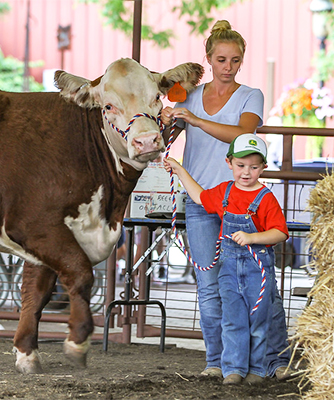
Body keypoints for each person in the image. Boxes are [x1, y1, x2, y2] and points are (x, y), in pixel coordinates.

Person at [160, 20, 292, 381]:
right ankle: (218, 361)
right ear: (208, 59)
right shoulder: (186, 93)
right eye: (220, 60)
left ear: (241, 61)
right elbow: (163, 116)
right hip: (201, 199)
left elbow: (243, 133)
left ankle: (273, 359)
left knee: (260, 285)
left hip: (243, 200)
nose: (228, 67)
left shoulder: (251, 95)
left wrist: (195, 120)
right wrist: (170, 115)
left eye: (235, 60)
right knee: (210, 285)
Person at [164, 134, 289, 385]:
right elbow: (199, 197)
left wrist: (253, 237)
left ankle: (258, 369)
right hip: (229, 268)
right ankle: (233, 368)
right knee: (233, 319)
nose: (246, 172)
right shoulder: (224, 192)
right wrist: (179, 169)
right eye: (241, 166)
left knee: (258, 320)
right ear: (229, 162)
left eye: (254, 167)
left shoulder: (266, 198)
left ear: (263, 168)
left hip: (257, 268)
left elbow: (280, 232)